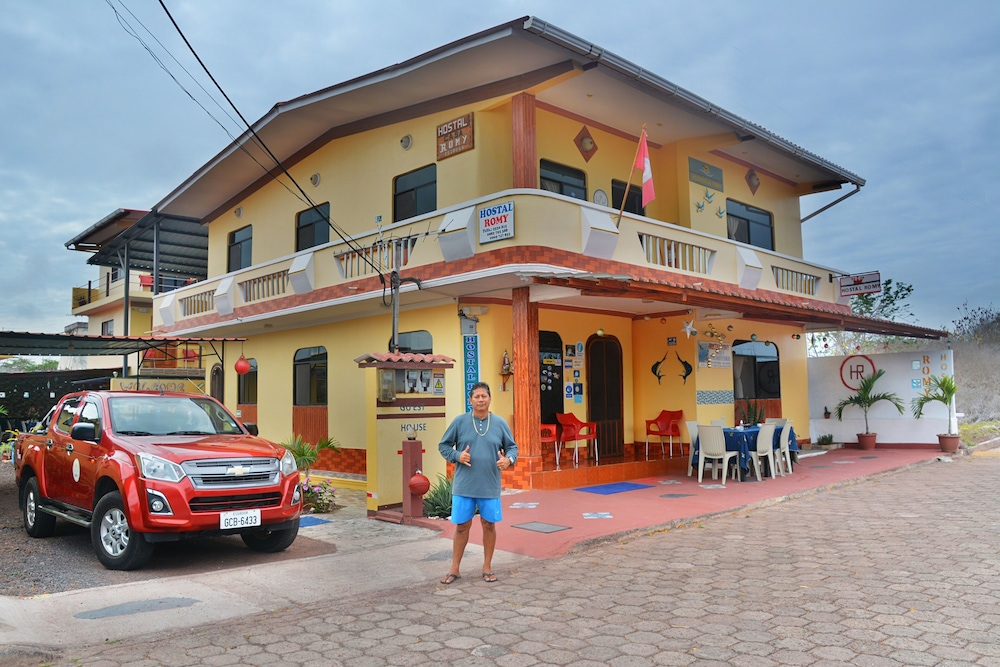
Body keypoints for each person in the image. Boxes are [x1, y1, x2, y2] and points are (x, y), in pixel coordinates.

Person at [438, 381, 517, 584]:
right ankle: (454, 569)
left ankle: (487, 567)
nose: (481, 400)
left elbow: (512, 448)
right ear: (470, 400)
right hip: (464, 486)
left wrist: (508, 460)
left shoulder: (499, 423)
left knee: (488, 524)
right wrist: (457, 455)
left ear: (490, 399)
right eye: (477, 396)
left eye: (484, 396)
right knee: (462, 526)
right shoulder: (460, 421)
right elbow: (443, 446)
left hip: (490, 485)